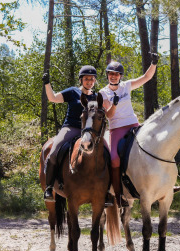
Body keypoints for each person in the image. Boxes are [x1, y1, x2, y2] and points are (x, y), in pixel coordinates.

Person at [99, 54, 159, 207]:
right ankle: (118, 195)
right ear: (107, 75)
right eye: (111, 74)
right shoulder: (103, 93)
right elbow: (109, 115)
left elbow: (146, 77)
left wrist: (153, 63)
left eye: (117, 74)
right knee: (114, 159)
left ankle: (162, 185)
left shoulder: (126, 86)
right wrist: (115, 104)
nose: (114, 76)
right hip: (117, 128)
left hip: (133, 125)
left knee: (153, 147)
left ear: (120, 76)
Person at [42, 65, 106, 203]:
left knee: (106, 152)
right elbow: (53, 98)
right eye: (86, 79)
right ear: (81, 80)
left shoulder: (96, 97)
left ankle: (106, 190)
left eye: (92, 79)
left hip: (91, 132)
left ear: (95, 80)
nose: (89, 81)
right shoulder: (72, 92)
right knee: (53, 152)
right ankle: (49, 187)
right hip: (71, 128)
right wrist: (47, 84)